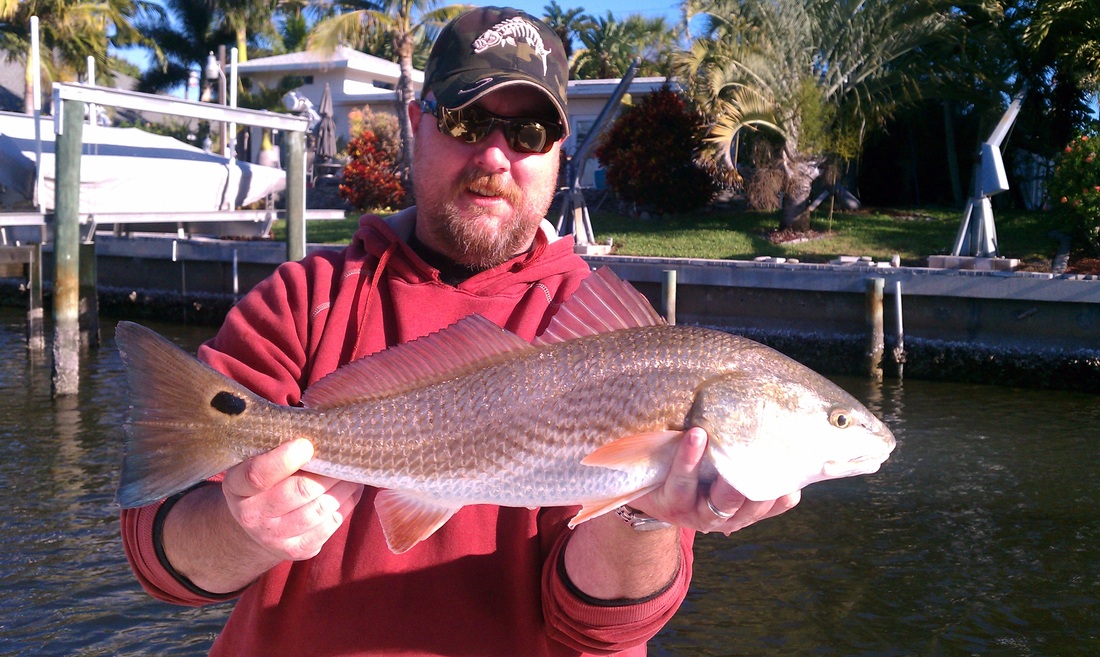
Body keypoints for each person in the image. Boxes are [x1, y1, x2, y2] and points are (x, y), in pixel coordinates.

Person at [120, 7, 800, 655]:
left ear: (559, 153)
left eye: (529, 132)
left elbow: (601, 626)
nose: (497, 155)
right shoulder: (304, 301)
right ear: (419, 123)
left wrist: (643, 513)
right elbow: (161, 554)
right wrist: (244, 528)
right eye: (468, 119)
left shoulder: (611, 343)